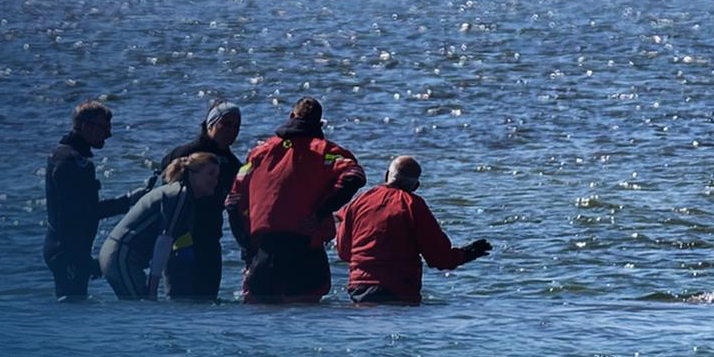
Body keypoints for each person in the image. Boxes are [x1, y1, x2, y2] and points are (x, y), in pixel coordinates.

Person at [225, 97, 365, 304]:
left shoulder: (260, 153)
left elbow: (233, 202)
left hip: (264, 252)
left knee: (259, 316)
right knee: (305, 318)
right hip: (305, 251)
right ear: (319, 123)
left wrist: (247, 249)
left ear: (291, 116)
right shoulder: (325, 151)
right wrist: (320, 213)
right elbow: (354, 176)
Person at [335, 156, 491, 305]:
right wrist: (467, 253)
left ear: (387, 175)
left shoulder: (359, 201)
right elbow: (439, 258)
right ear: (416, 186)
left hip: (359, 287)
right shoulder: (413, 205)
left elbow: (344, 252)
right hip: (398, 288)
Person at [43, 100, 142, 302]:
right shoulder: (74, 162)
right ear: (86, 126)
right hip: (67, 252)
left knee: (72, 307)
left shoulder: (61, 154)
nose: (108, 134)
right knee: (72, 310)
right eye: (104, 128)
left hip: (63, 248)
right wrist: (128, 201)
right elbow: (85, 212)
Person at [145, 99, 243, 299]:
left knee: (207, 304)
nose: (232, 130)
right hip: (180, 239)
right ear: (210, 125)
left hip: (210, 240)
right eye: (226, 124)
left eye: (236, 126)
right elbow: (160, 194)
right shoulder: (185, 153)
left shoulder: (233, 165)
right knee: (180, 302)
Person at [99, 153, 224, 300]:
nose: (215, 181)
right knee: (140, 307)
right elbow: (164, 242)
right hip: (121, 254)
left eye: (217, 176)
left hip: (128, 258)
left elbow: (180, 245)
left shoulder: (187, 200)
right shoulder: (178, 194)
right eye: (210, 174)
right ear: (193, 173)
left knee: (140, 309)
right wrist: (153, 290)